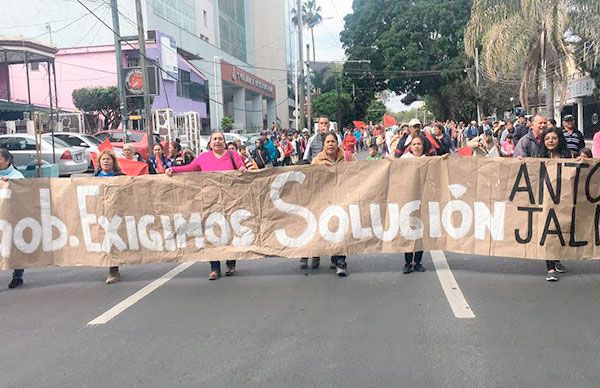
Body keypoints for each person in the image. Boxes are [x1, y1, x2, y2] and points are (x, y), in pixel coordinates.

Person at [165, 130, 247, 280]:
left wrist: (242, 170)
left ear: (224, 142)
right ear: (210, 143)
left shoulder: (232, 155)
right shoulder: (204, 157)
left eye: (220, 139)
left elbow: (241, 168)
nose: (217, 141)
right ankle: (214, 267)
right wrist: (173, 170)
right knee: (211, 232)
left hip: (230, 200)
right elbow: (189, 168)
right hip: (210, 201)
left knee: (229, 230)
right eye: (214, 139)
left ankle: (230, 262)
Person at [307, 131, 356, 276]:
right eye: (327, 142)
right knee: (328, 229)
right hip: (325, 201)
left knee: (341, 230)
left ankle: (340, 262)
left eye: (332, 141)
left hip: (343, 200)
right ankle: (320, 253)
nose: (330, 144)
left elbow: (361, 172)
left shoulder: (348, 158)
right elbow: (310, 179)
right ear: (323, 145)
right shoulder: (317, 161)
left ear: (337, 143)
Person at [534, 127, 571, 281]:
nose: (550, 141)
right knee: (548, 230)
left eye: (554, 138)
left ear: (559, 140)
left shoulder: (566, 156)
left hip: (562, 199)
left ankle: (556, 260)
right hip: (544, 200)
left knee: (560, 229)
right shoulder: (538, 157)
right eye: (547, 138)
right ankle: (550, 268)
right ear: (543, 141)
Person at [94, 150, 125, 284]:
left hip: (116, 214)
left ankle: (113, 269)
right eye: (103, 159)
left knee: (113, 240)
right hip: (100, 214)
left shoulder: (121, 177)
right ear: (99, 163)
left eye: (108, 159)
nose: (106, 161)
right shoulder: (93, 178)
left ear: (113, 162)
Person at [0, 148, 25, 288]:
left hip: (13, 217)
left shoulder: (17, 176)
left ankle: (18, 275)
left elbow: (25, 191)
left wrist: (11, 183)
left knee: (15, 245)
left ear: (7, 161)